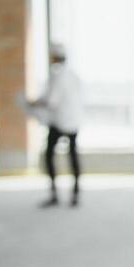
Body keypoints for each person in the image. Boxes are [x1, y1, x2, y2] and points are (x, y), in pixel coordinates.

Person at [29, 42, 84, 208]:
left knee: (49, 156)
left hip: (59, 122)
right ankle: (75, 193)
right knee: (73, 155)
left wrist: (34, 104)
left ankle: (54, 195)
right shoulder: (74, 75)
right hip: (74, 121)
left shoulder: (57, 75)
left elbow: (51, 101)